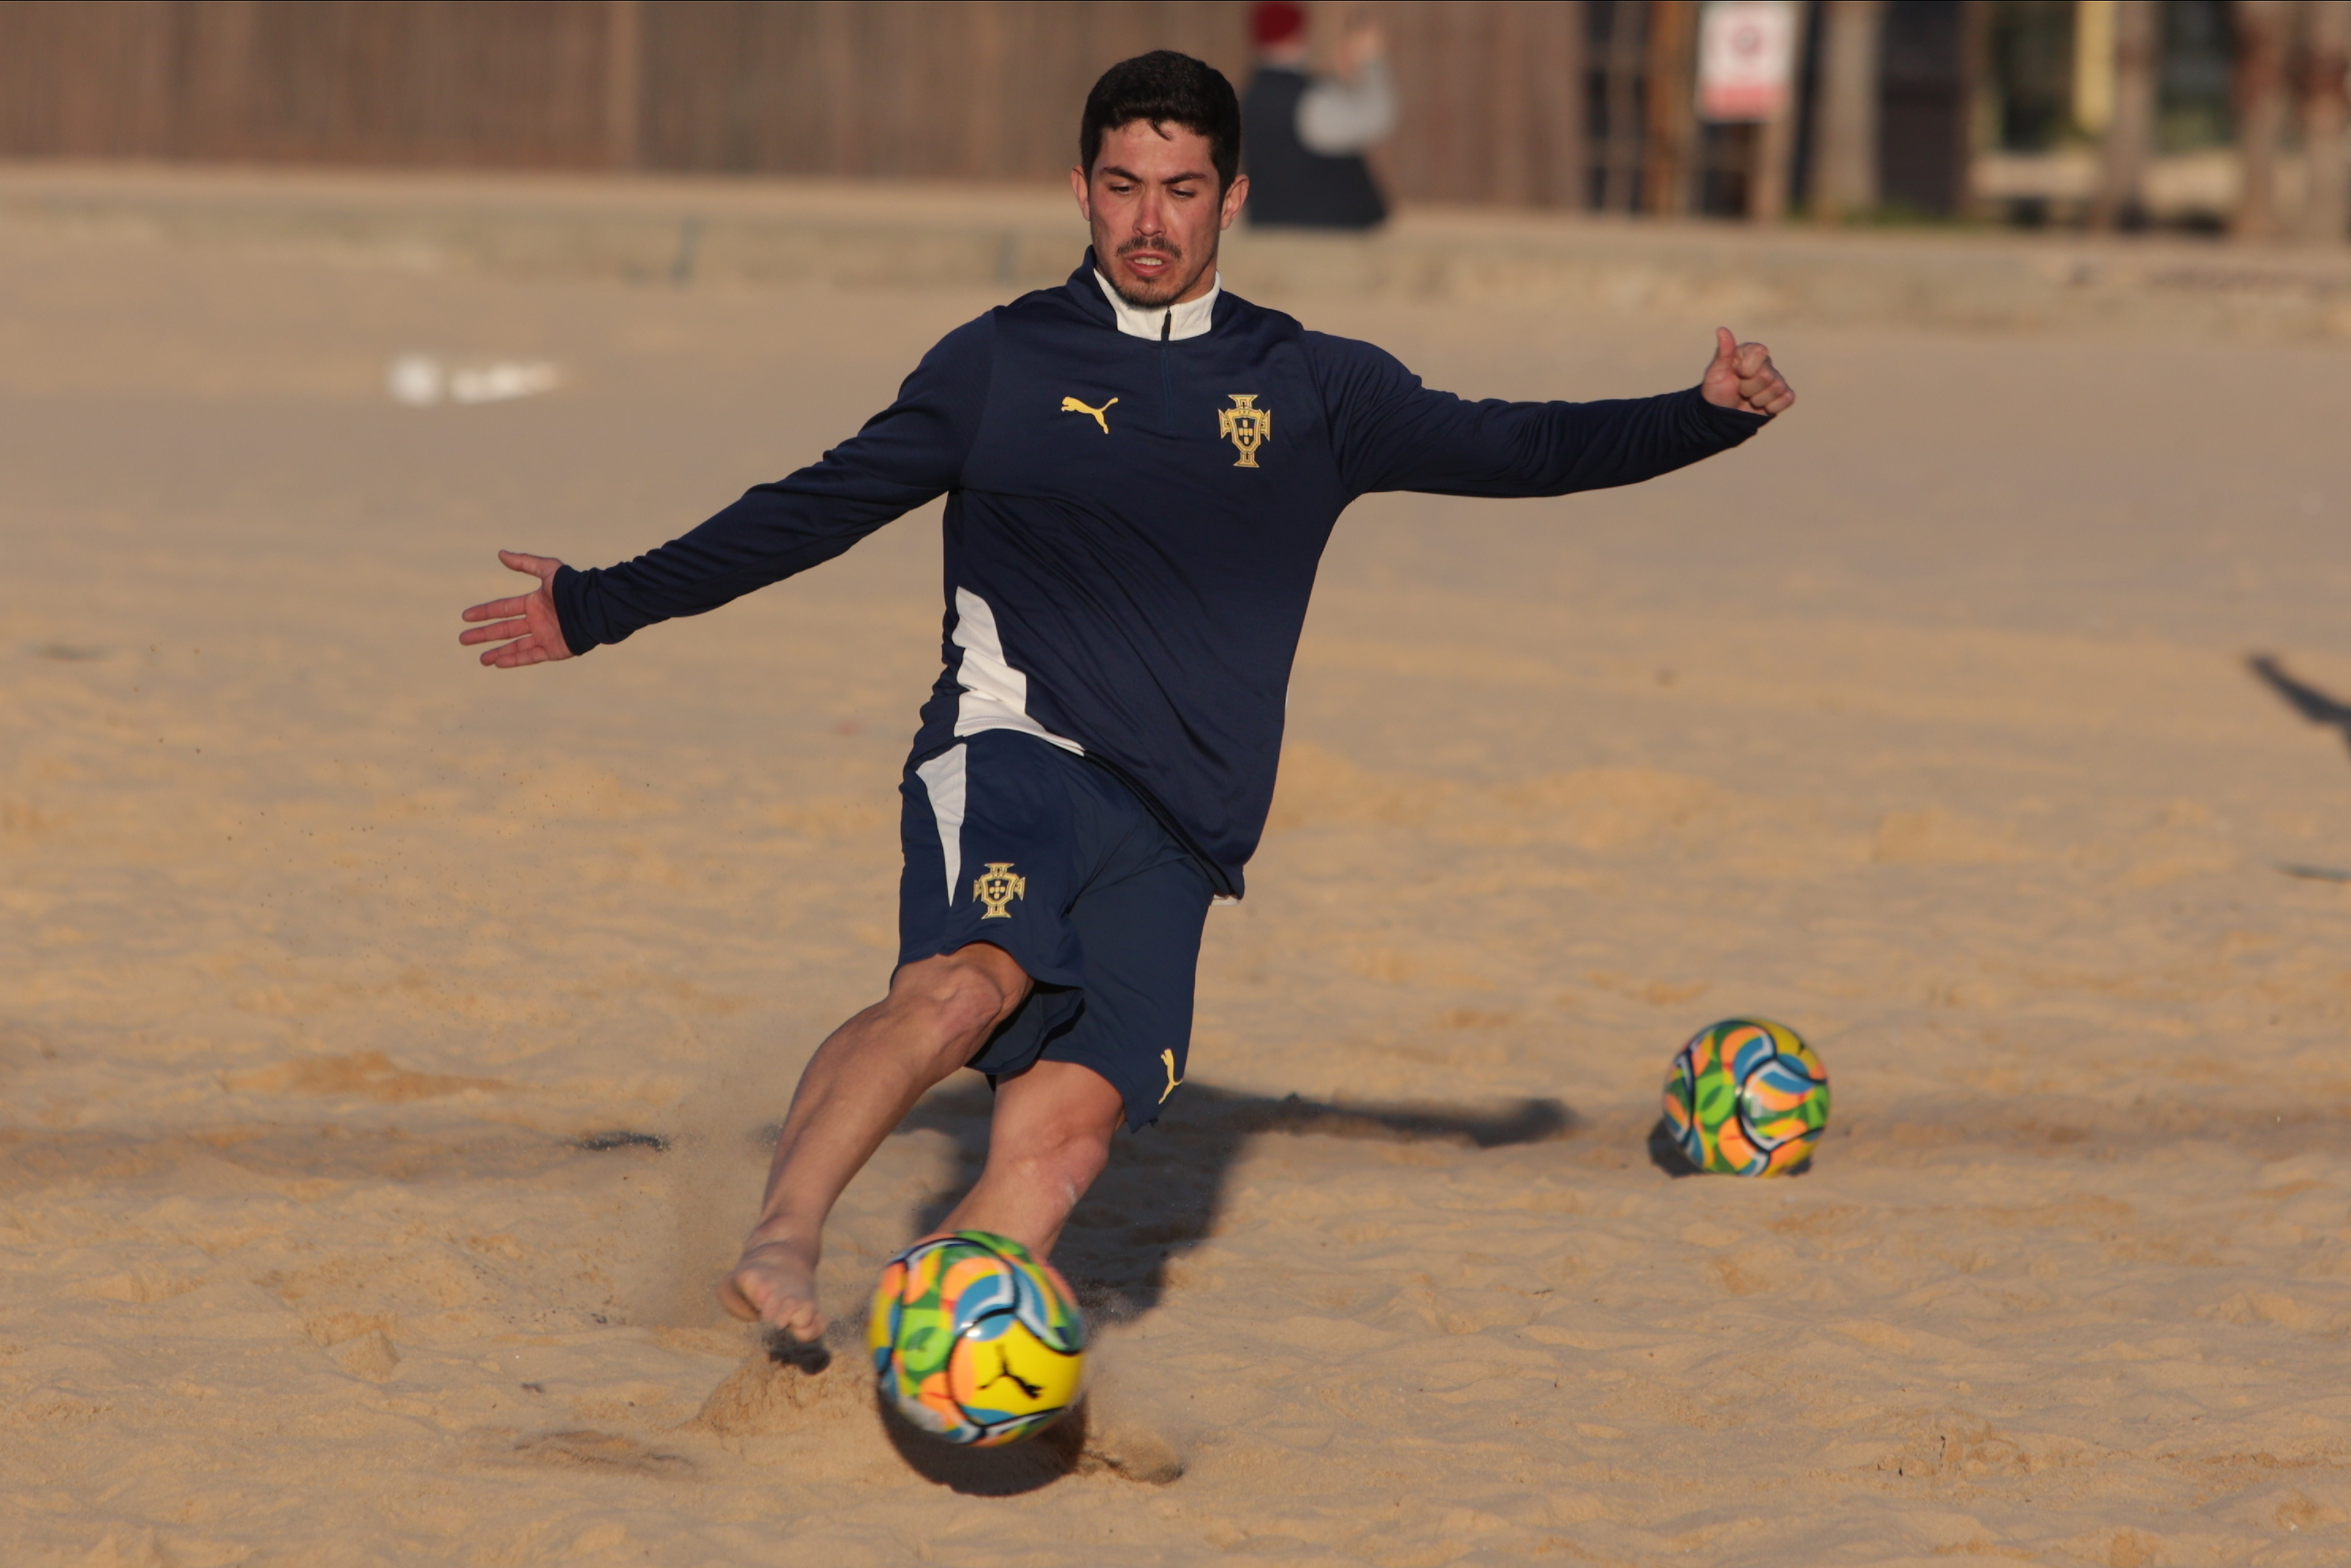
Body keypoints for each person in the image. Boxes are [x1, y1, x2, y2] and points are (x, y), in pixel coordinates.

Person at [458, 51, 1794, 1345]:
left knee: (1068, 1137)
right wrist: (599, 603)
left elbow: (1524, 445)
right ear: (1079, 190)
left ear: (1232, 199)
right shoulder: (998, 362)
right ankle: (782, 1239)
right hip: (1015, 752)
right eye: (1119, 185)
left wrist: (1701, 412)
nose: (1147, 220)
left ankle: (920, 1346)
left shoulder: (1315, 386)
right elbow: (811, 511)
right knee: (960, 992)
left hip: (1183, 829)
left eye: (1179, 189)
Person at [1242, 0, 1394, 229]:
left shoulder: (1252, 96)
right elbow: (1376, 119)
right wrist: (1370, 61)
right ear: (1298, 33)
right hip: (1324, 239)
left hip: (1272, 232)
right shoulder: (1305, 100)